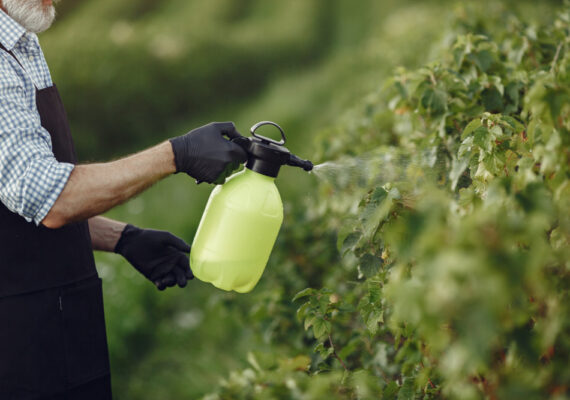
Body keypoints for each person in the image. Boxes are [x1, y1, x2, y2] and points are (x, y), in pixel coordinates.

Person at [0, 0, 248, 398]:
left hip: (56, 323)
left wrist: (123, 237)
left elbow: (17, 200)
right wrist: (175, 154)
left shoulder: (22, 43)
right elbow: (53, 196)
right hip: (18, 346)